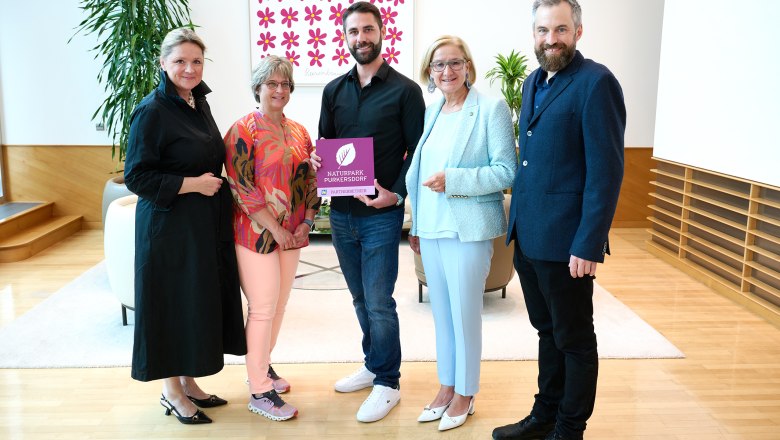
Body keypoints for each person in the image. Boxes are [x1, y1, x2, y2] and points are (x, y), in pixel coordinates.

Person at [493, 1, 626, 439]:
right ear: (533, 33)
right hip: (529, 238)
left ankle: (569, 429)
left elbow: (605, 173)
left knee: (574, 341)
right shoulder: (533, 81)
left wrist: (588, 243)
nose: (551, 39)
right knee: (546, 332)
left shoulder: (596, 83)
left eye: (561, 29)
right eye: (543, 30)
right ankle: (544, 416)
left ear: (578, 32)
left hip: (567, 242)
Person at [124, 27, 247, 425]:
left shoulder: (197, 102)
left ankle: (189, 381)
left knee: (194, 302)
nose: (189, 68)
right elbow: (137, 176)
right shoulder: (152, 111)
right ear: (162, 63)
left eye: (195, 61)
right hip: (168, 229)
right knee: (172, 305)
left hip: (200, 226)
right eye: (179, 61)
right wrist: (194, 184)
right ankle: (171, 392)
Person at [312, 0, 425, 423]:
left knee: (379, 301)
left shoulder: (406, 91)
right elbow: (325, 145)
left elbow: (419, 153)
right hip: (340, 214)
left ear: (382, 33)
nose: (361, 38)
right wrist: (317, 162)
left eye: (368, 30)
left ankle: (388, 383)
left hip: (381, 214)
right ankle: (373, 363)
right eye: (354, 32)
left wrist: (395, 195)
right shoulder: (333, 90)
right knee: (360, 297)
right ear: (345, 38)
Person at [405, 35, 516, 431]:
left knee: (465, 316)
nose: (447, 72)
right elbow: (418, 177)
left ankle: (466, 393)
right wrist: (416, 226)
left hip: (467, 232)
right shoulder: (432, 112)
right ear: (429, 73)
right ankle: (446, 386)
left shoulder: (490, 109)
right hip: (430, 231)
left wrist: (454, 179)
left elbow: (506, 171)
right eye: (438, 65)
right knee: (442, 317)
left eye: (454, 63)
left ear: (467, 66)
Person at [223, 55, 320, 422]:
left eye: (285, 84)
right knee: (262, 308)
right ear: (258, 88)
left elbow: (309, 181)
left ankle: (263, 366)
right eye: (271, 84)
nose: (279, 90)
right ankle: (258, 389)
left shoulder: (299, 132)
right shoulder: (242, 130)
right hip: (256, 234)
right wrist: (276, 228)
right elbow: (241, 188)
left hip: (293, 233)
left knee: (278, 307)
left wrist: (307, 222)